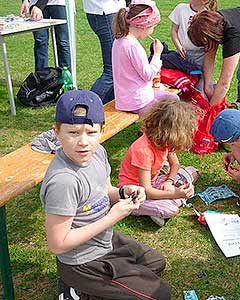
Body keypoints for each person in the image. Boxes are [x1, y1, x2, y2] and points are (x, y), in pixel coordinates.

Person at [40, 89, 171, 299]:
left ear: (101, 130)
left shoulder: (98, 152)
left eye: (91, 132)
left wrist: (122, 192)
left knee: (157, 263)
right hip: (82, 261)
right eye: (72, 133)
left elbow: (103, 191)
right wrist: (113, 217)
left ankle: (102, 287)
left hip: (104, 238)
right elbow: (58, 244)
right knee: (161, 295)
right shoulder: (63, 181)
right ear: (56, 132)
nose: (83, 141)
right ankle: (76, 291)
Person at [118, 99, 198, 226]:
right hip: (135, 193)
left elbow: (176, 164)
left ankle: (169, 200)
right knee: (171, 209)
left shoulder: (164, 142)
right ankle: (159, 206)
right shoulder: (143, 150)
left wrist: (169, 181)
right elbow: (147, 191)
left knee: (192, 172)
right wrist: (175, 193)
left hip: (154, 184)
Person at [112, 0, 179, 116]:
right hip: (138, 102)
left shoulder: (119, 40)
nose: (152, 30)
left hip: (124, 99)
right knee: (172, 106)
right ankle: (150, 131)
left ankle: (147, 129)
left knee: (173, 98)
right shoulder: (133, 46)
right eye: (153, 27)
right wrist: (157, 54)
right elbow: (148, 75)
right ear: (144, 26)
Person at [168, 0, 218, 97]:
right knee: (182, 85)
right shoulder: (180, 8)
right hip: (182, 55)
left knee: (200, 88)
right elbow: (174, 31)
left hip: (201, 57)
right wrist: (178, 46)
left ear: (204, 1)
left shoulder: (207, 15)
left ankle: (204, 107)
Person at [19, 0, 71, 72]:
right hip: (35, 5)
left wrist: (39, 6)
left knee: (62, 42)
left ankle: (66, 78)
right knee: (40, 42)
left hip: (58, 3)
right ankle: (41, 78)